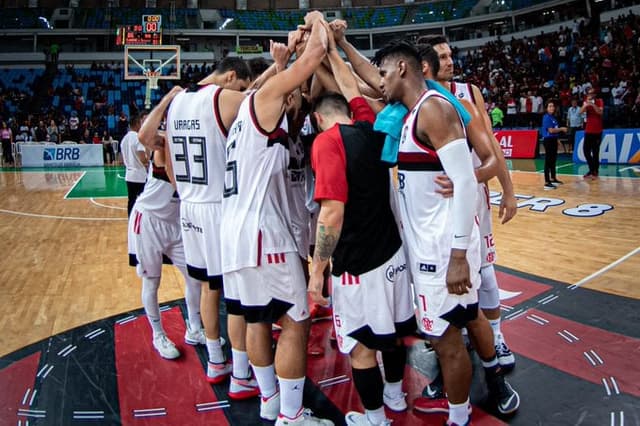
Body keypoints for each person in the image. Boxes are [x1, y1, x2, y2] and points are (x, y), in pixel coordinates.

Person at [374, 41, 519, 426]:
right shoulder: (408, 114)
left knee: (447, 341)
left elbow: (466, 183)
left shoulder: (435, 110)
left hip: (442, 252)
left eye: (384, 74)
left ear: (404, 69)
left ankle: (458, 416)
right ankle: (483, 388)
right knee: (467, 321)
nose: (380, 83)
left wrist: (457, 257)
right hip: (434, 246)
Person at [220, 12, 333, 425]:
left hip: (232, 234)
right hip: (262, 233)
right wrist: (315, 22)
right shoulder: (263, 102)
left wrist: (285, 63)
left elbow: (284, 88)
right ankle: (291, 415)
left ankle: (269, 400)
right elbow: (316, 53)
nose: (293, 94)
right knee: (295, 319)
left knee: (256, 317)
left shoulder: (245, 117)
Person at [308, 31, 415, 426]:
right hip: (393, 253)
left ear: (319, 119)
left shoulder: (326, 142)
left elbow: (331, 213)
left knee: (361, 346)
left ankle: (374, 418)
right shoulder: (371, 126)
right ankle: (395, 396)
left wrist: (317, 272)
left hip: (357, 264)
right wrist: (329, 51)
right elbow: (352, 84)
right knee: (393, 335)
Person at [142, 57, 258, 400]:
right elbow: (262, 99)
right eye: (239, 86)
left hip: (189, 206)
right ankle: (240, 374)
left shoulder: (177, 103)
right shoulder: (221, 98)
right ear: (232, 76)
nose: (240, 93)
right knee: (235, 296)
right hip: (217, 207)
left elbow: (173, 167)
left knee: (209, 287)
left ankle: (216, 361)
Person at [128, 87, 205, 360]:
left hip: (177, 223)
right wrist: (168, 98)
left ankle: (194, 328)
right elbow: (143, 135)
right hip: (149, 220)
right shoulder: (163, 141)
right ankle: (158, 334)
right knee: (152, 281)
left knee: (195, 276)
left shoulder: (200, 138)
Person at [120, 113, 148, 216]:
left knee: (131, 200)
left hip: (129, 175)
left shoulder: (124, 139)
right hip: (139, 175)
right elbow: (142, 158)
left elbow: (122, 159)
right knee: (143, 201)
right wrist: (147, 162)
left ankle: (130, 221)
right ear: (137, 124)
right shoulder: (137, 138)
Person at [541, 101, 568, 190]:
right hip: (548, 140)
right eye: (550, 106)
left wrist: (557, 140)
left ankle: (553, 178)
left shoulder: (553, 118)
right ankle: (546, 182)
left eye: (553, 106)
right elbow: (551, 130)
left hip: (553, 140)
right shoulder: (546, 117)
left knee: (553, 160)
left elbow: (554, 132)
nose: (552, 108)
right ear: (546, 108)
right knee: (548, 161)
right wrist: (562, 129)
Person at [580, 88, 604, 179]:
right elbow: (581, 112)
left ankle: (595, 171)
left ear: (595, 94)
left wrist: (593, 104)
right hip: (588, 130)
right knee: (586, 150)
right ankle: (591, 169)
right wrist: (586, 105)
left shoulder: (599, 101)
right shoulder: (586, 102)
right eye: (589, 93)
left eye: (592, 93)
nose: (590, 95)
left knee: (595, 151)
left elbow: (600, 112)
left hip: (597, 130)